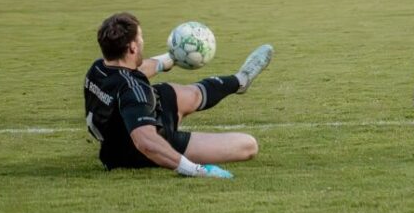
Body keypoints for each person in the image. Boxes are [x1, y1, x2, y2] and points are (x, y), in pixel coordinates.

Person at [84, 12, 273, 176]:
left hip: (116, 136)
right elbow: (146, 142)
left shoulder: (99, 68)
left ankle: (240, 80)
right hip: (142, 150)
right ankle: (180, 149)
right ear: (133, 47)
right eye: (140, 38)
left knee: (188, 94)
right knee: (248, 145)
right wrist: (194, 169)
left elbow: (136, 70)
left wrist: (171, 58)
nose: (143, 42)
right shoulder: (134, 90)